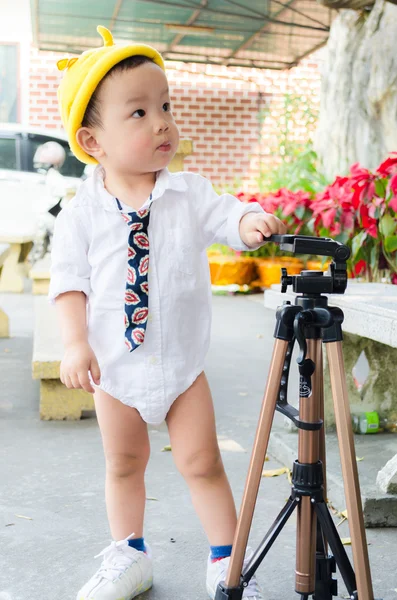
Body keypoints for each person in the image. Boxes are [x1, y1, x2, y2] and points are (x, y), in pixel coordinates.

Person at [50, 25, 287, 600]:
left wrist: (247, 223)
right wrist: (75, 343)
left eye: (165, 106)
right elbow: (70, 283)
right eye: (138, 112)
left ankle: (228, 565)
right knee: (124, 464)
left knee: (203, 462)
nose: (161, 122)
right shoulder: (81, 213)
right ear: (92, 140)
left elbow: (226, 214)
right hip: (114, 368)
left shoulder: (188, 193)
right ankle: (128, 554)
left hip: (182, 367)